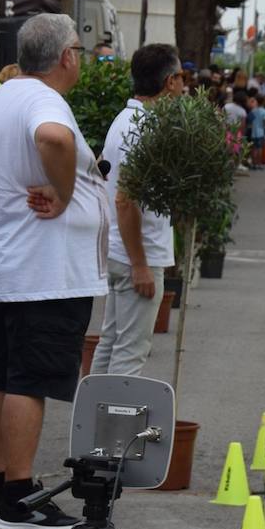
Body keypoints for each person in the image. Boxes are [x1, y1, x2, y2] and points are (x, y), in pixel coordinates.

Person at [0, 13, 109, 529]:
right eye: (79, 49)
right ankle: (19, 497)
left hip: (8, 260)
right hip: (44, 269)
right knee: (28, 381)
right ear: (66, 55)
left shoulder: (2, 95)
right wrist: (67, 190)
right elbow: (55, 139)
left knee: (0, 375)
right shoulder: (45, 101)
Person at [91, 43, 183, 377]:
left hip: (121, 250)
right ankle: (113, 427)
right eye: (181, 79)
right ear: (170, 82)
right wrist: (141, 264)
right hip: (136, 255)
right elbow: (125, 200)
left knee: (111, 343)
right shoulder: (141, 129)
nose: (184, 86)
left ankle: (94, 426)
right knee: (129, 354)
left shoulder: (126, 119)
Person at [246, 91, 265, 169]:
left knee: (253, 148)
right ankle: (259, 163)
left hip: (253, 131)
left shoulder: (253, 110)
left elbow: (250, 120)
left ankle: (253, 163)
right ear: (264, 102)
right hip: (261, 131)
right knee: (259, 148)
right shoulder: (264, 111)